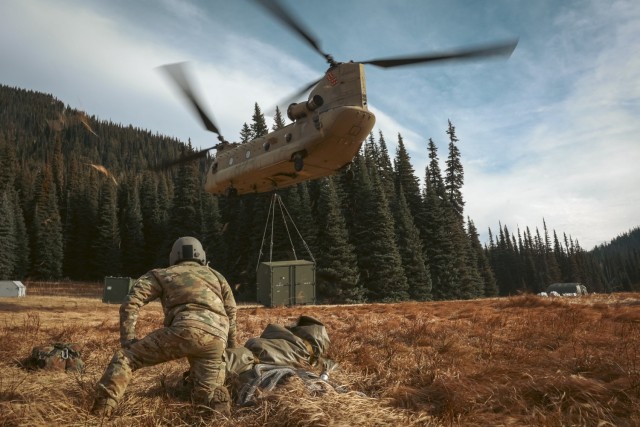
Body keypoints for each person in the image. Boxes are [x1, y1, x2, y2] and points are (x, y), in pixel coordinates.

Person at [91, 236, 237, 418]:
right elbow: (231, 313)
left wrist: (128, 340)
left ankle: (101, 412)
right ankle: (213, 403)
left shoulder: (161, 274)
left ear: (173, 256)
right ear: (202, 256)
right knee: (205, 397)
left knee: (125, 358)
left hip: (184, 330)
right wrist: (231, 348)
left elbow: (130, 303)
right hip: (216, 339)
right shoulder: (217, 276)